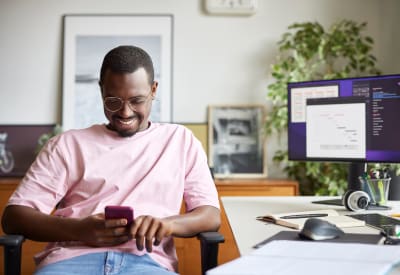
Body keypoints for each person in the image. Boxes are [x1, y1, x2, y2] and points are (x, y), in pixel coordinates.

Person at [1, 45, 221, 275]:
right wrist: (79, 230)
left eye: (137, 100)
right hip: (69, 261)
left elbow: (210, 215)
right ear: (101, 91)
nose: (125, 112)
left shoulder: (180, 141)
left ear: (154, 90)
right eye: (113, 101)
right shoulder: (66, 145)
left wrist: (168, 224)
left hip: (148, 263)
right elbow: (14, 217)